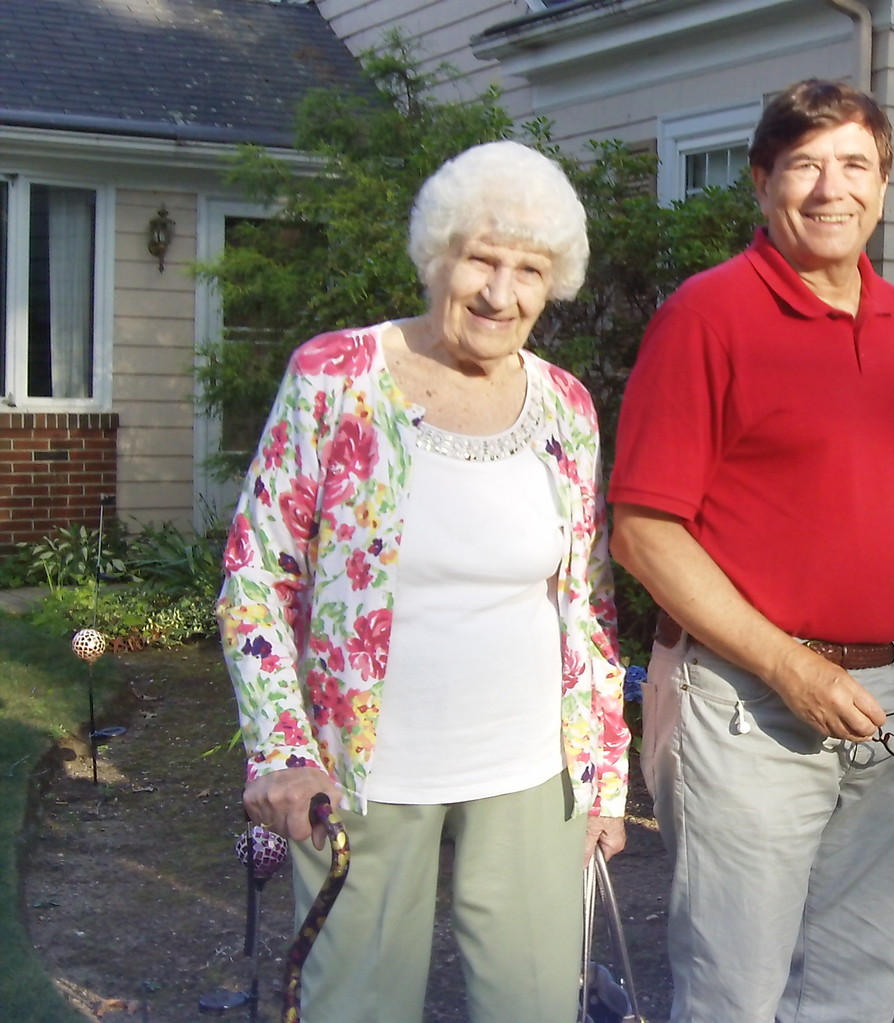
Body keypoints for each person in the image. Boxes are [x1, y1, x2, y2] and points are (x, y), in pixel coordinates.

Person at [216, 140, 629, 1022]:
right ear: (436, 252)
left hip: (530, 769)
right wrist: (284, 749)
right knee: (354, 1007)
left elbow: (587, 604)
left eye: (529, 270)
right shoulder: (335, 376)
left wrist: (603, 779)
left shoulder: (566, 405)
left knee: (534, 1006)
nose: (499, 292)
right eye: (480, 258)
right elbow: (257, 573)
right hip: (363, 774)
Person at [608, 79, 894, 1023]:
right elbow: (643, 530)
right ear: (762, 183)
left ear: (884, 183)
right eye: (804, 165)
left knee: (857, 988)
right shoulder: (709, 317)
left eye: (855, 165)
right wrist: (790, 667)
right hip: (748, 700)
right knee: (735, 994)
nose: (831, 188)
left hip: (890, 694)